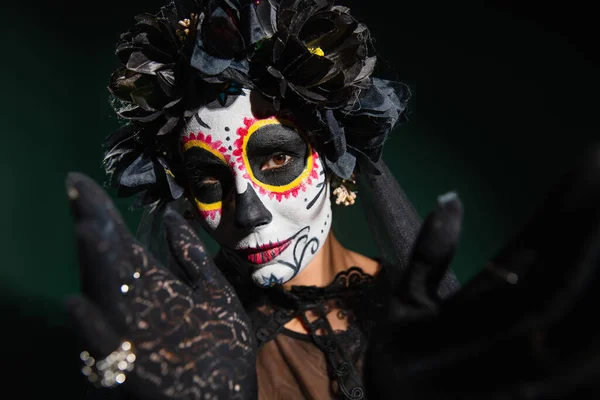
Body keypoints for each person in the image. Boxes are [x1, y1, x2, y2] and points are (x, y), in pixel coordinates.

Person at [65, 0, 600, 399]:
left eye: (275, 158)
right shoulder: (186, 342)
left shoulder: (420, 323)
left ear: (334, 158)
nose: (246, 212)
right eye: (208, 183)